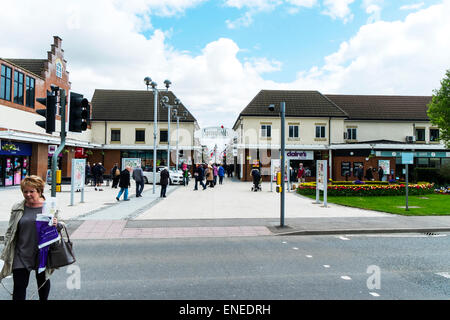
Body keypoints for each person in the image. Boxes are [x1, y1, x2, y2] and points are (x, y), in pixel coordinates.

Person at [0, 175, 60, 300]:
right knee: (19, 288)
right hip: (21, 254)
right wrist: (6, 247)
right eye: (25, 191)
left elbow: (59, 228)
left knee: (42, 286)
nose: (28, 194)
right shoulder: (18, 208)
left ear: (39, 191)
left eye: (31, 191)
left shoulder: (50, 207)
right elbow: (10, 230)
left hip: (42, 253)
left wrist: (57, 224)